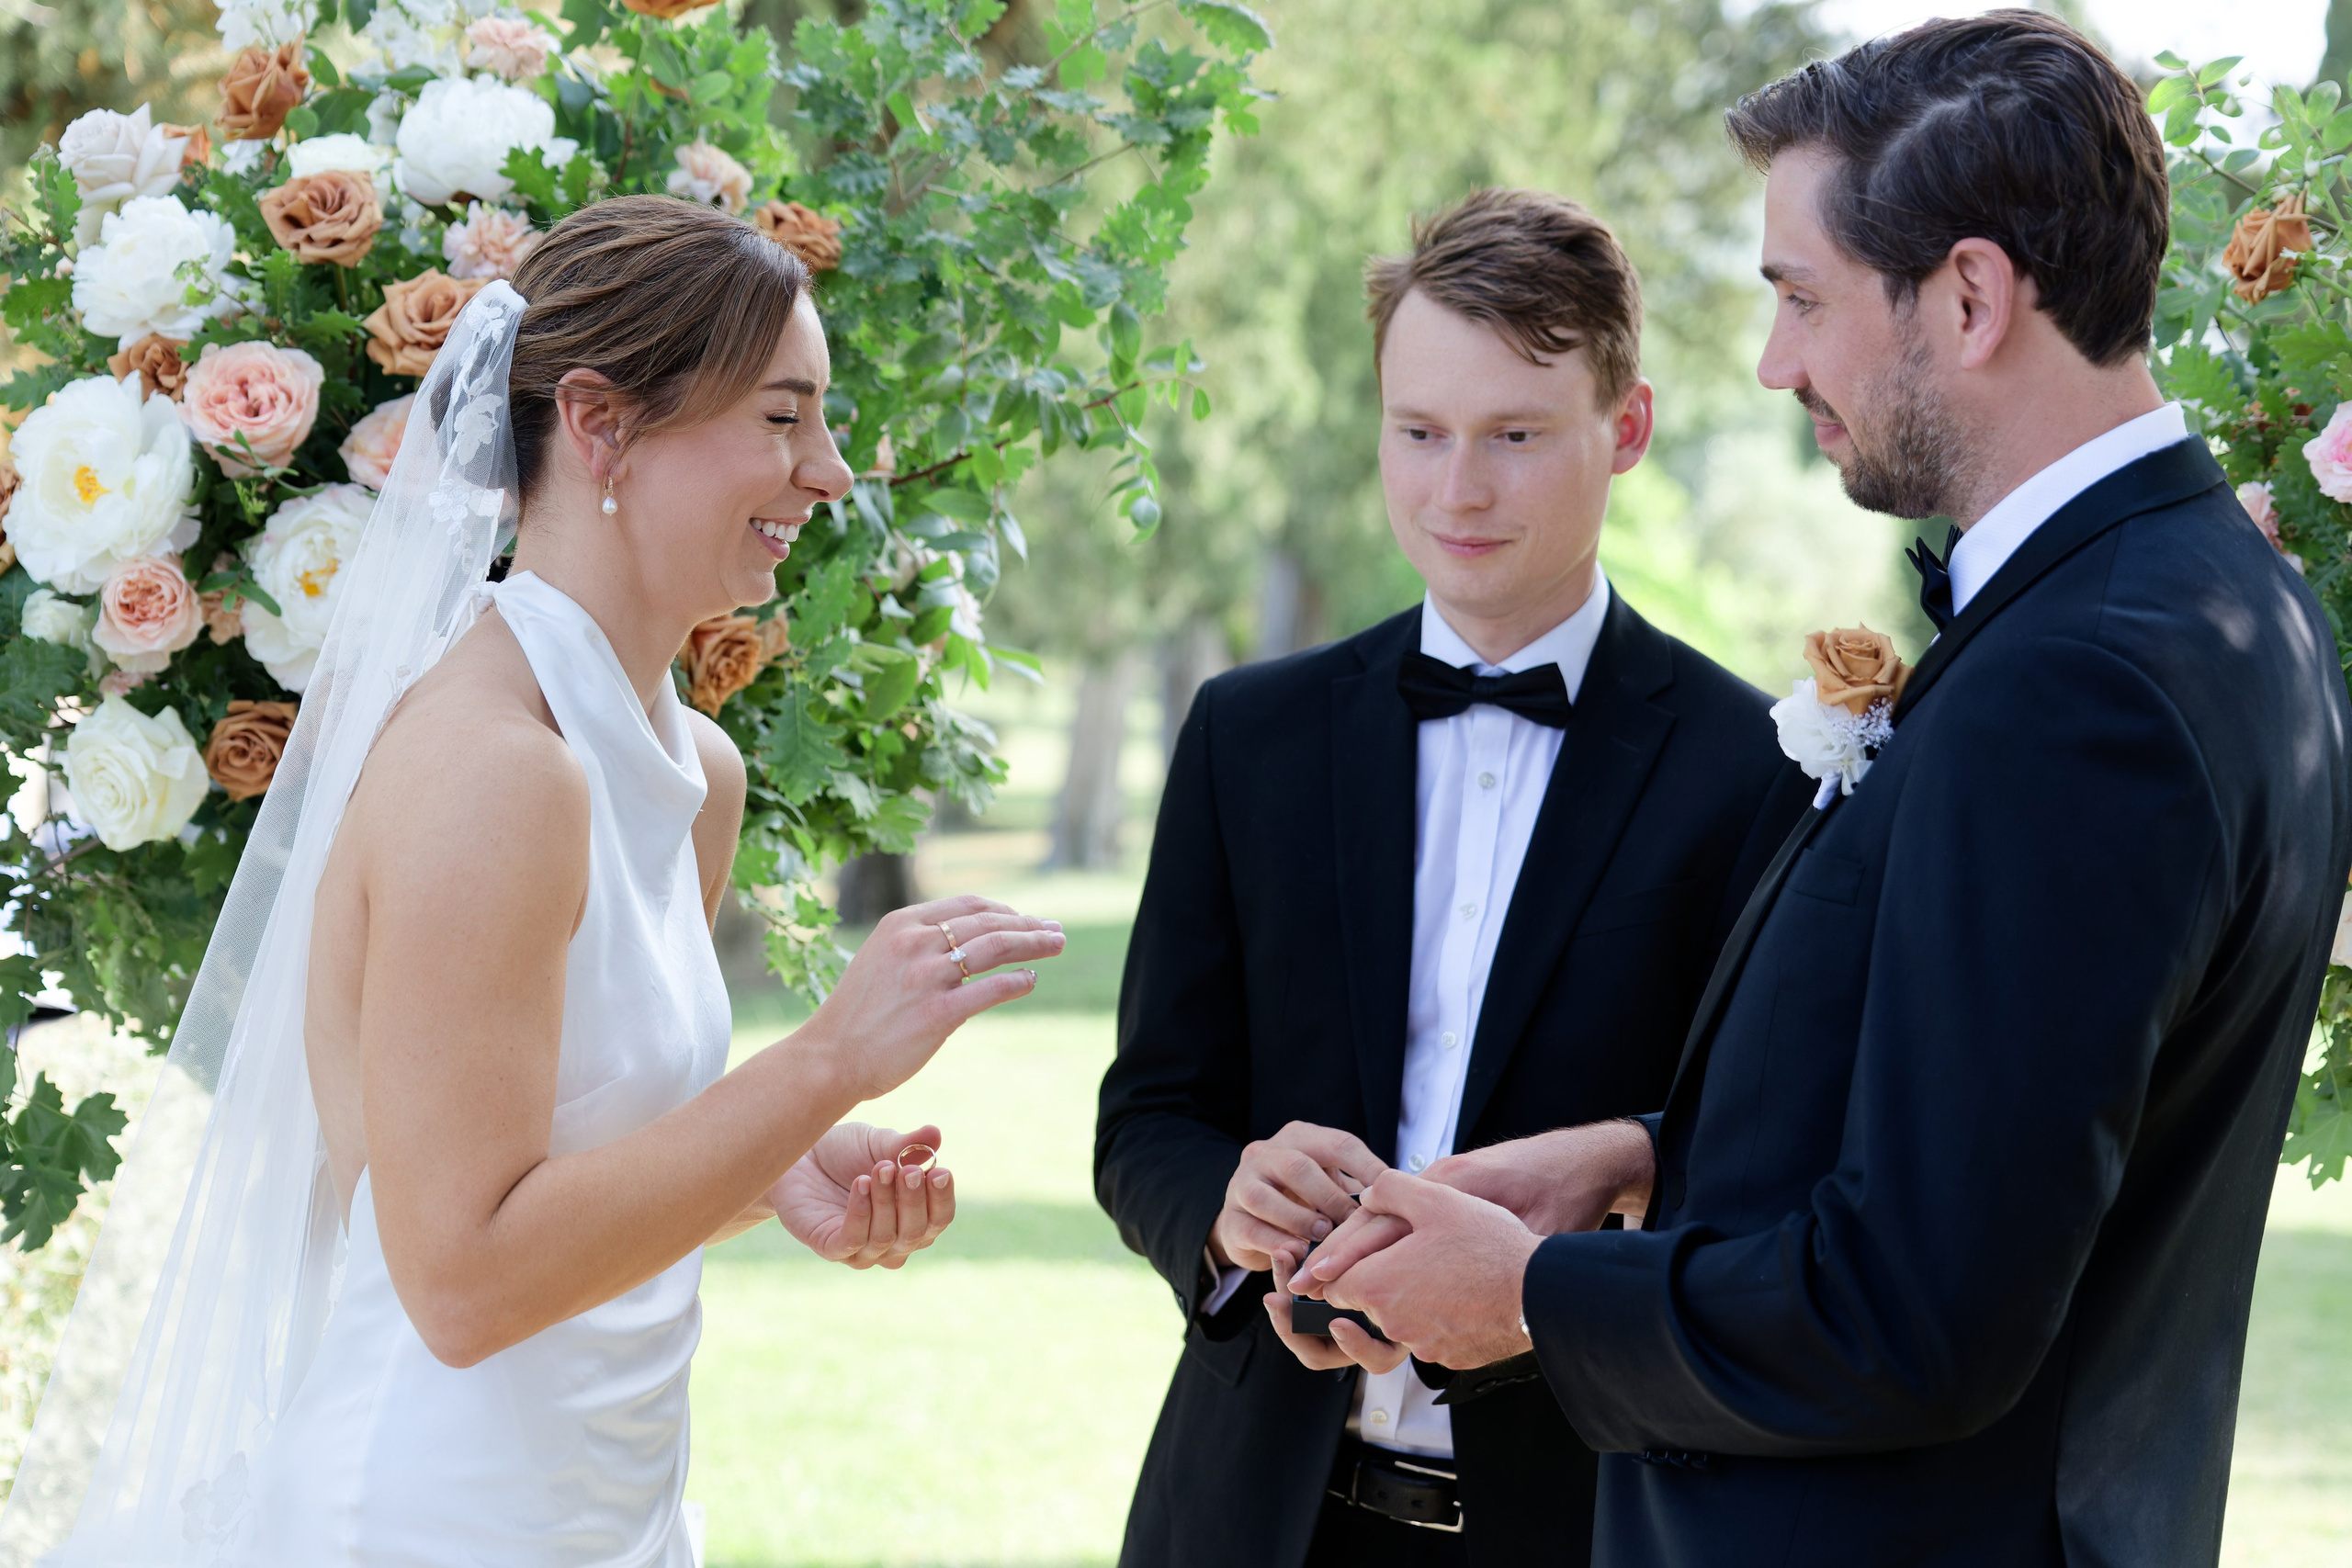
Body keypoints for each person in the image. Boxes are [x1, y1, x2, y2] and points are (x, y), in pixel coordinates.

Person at [1291, 15, 2352, 1567]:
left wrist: (1522, 1292)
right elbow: (2022, 1121)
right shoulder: (2206, 598)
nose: (1777, 360)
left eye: (1802, 298)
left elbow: (1920, 1314)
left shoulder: (2086, 682)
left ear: (1973, 297)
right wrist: (1661, 1152)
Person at [0, 197, 1062, 1565]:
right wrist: (825, 1065)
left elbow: (567, 1164)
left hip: (613, 1509)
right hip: (435, 1514)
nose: (832, 474)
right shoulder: (492, 772)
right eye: (784, 419)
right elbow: (459, 1277)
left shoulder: (697, 770)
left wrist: (776, 1173)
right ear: (602, 424)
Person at [1094, 188, 1811, 1568]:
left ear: (1631, 428)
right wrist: (1226, 1208)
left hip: (1588, 1524)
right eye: (1417, 433)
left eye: (1515, 437)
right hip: (1251, 1516)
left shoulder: (1760, 770)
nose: (1455, 490)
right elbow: (1147, 1121)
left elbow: (1761, 1168)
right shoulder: (1251, 737)